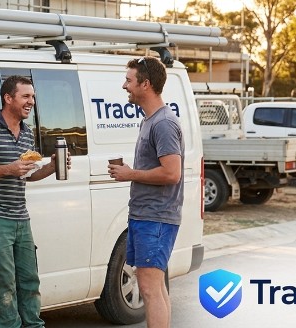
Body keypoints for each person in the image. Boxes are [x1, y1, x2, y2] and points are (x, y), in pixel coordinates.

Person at [0, 75, 66, 328]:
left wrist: (52, 166)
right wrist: (8, 169)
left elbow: (27, 175)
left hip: (21, 218)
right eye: (26, 97)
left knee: (30, 281)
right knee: (4, 285)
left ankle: (34, 325)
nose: (32, 102)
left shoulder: (27, 132)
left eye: (33, 97)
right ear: (8, 98)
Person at [107, 56, 183, 328]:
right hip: (145, 216)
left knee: (150, 289)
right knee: (154, 287)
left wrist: (131, 174)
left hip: (157, 218)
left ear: (146, 84)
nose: (124, 86)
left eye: (129, 80)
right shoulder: (150, 120)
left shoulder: (163, 123)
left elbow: (172, 173)